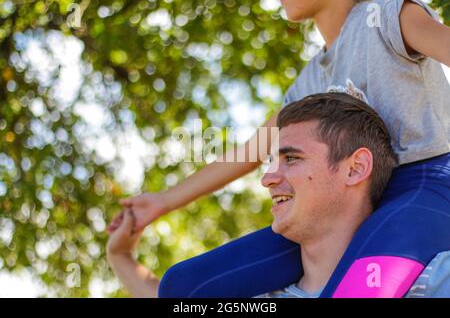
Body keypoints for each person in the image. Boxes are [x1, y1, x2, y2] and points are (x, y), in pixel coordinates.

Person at [108, 0, 450, 297]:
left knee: (357, 289)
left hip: (426, 184)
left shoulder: (386, 17)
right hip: (350, 201)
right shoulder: (307, 83)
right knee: (183, 287)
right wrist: (163, 202)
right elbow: (248, 153)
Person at [106, 93, 450, 298]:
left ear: (355, 168)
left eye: (292, 159)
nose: (268, 179)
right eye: (272, 162)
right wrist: (120, 255)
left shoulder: (435, 280)